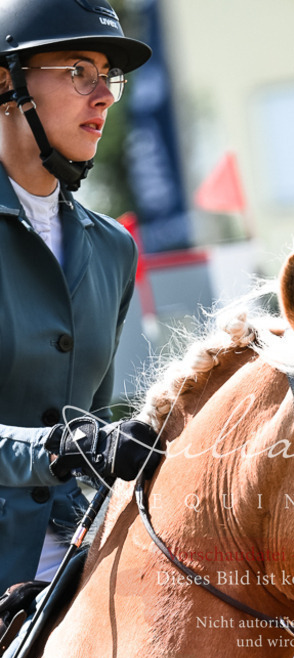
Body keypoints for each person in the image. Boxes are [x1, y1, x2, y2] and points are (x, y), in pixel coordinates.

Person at [0, 0, 161, 597]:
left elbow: (96, 420)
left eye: (107, 76)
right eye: (77, 71)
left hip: (78, 557)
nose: (105, 96)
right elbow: (73, 441)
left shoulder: (115, 248)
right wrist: (57, 449)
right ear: (5, 81)